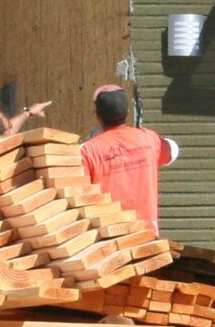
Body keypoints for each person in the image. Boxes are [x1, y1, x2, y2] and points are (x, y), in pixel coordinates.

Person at [76, 83, 178, 231]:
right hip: (147, 236)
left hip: (110, 238)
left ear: (97, 116)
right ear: (127, 112)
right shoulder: (149, 139)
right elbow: (172, 151)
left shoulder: (87, 151)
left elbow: (79, 191)